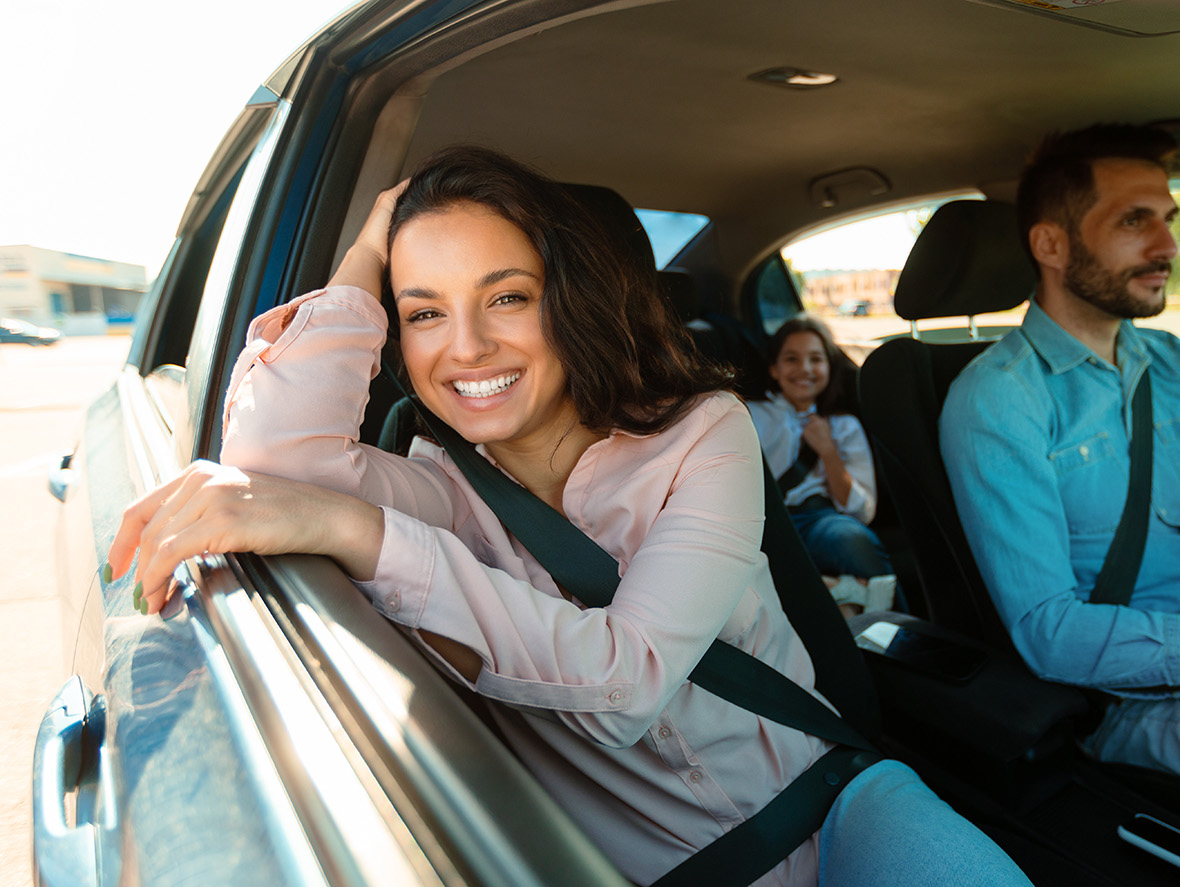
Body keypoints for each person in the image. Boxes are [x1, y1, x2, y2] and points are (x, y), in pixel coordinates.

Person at [107, 146, 1032, 886]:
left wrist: (353, 532)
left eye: (506, 296)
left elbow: (627, 685)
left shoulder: (704, 433)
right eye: (423, 313)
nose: (465, 347)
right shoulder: (434, 488)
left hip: (834, 810)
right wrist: (364, 253)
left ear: (569, 296)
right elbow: (273, 468)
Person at [939, 123, 1180, 821]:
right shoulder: (1000, 396)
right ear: (1051, 244)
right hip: (1143, 698)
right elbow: (1051, 633)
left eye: (1168, 219)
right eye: (1134, 220)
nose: (1169, 246)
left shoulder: (1172, 362)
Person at [748, 316, 896, 617]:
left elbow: (861, 511)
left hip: (820, 520)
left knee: (851, 539)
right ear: (774, 369)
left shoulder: (844, 426)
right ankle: (839, 589)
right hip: (762, 521)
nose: (804, 369)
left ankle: (891, 626)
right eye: (792, 359)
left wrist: (828, 451)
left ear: (829, 368)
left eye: (816, 359)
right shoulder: (750, 415)